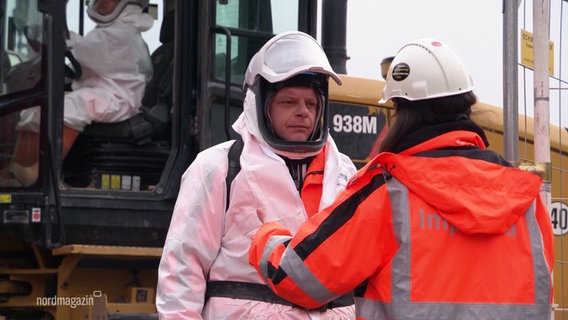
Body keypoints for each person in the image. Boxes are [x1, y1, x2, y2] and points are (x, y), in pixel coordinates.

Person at [249, 38, 554, 320]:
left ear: (399, 109)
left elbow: (298, 278)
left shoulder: (389, 191)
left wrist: (266, 237)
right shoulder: (524, 197)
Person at [157, 31, 357, 319]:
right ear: (261, 106)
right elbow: (182, 269)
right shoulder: (219, 166)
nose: (303, 112)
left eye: (311, 104)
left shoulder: (345, 173)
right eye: (288, 102)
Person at [0, 0, 153, 186]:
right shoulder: (109, 30)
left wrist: (55, 38)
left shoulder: (123, 33)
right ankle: (17, 167)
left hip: (119, 98)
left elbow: (84, 49)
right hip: (103, 92)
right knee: (39, 108)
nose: (102, 2)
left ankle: (43, 170)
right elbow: (85, 55)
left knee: (71, 107)